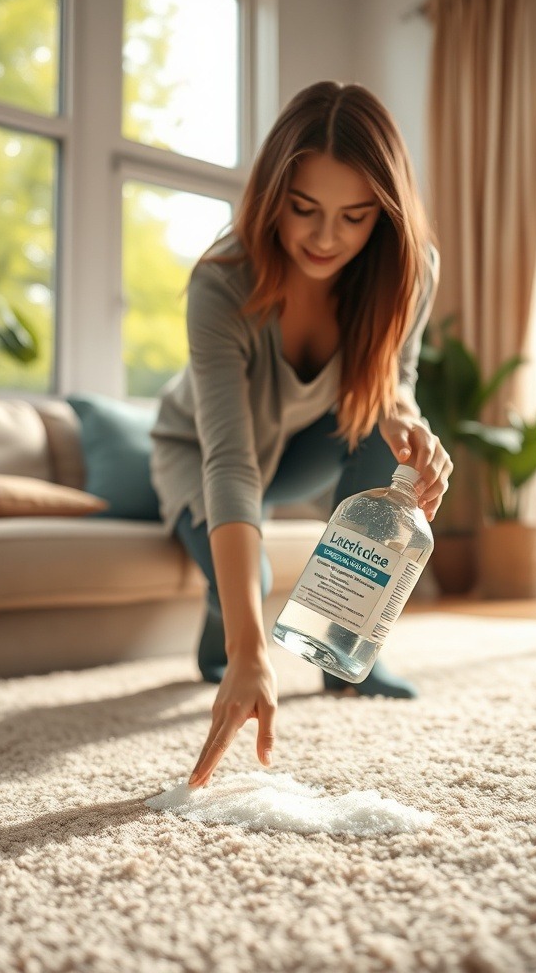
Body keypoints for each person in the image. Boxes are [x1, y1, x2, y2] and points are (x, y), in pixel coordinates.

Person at [149, 81, 453, 788]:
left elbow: (392, 382)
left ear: (383, 212)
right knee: (245, 585)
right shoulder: (221, 282)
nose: (325, 238)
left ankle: (339, 657)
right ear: (271, 195)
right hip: (198, 450)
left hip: (302, 443)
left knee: (388, 434)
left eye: (355, 216)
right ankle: (223, 631)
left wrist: (408, 423)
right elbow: (230, 465)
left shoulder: (410, 271)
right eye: (304, 209)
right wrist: (251, 652)